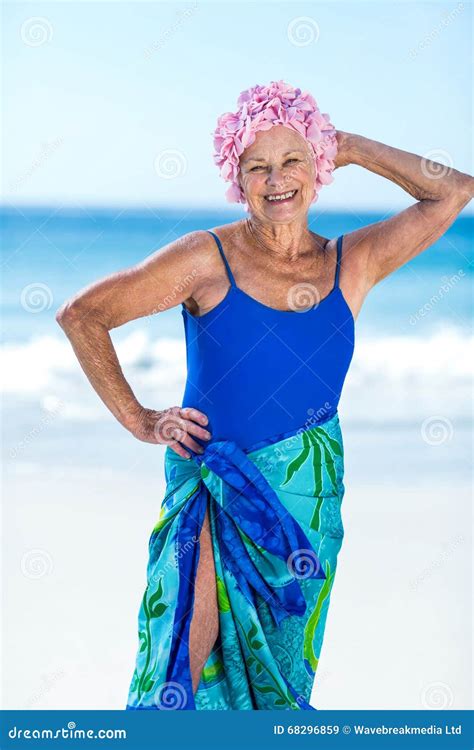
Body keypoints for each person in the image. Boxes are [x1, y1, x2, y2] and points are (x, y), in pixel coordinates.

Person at [56, 81, 473, 710]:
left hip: (304, 506)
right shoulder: (206, 257)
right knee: (181, 660)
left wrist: (351, 146)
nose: (276, 181)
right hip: (212, 488)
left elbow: (454, 191)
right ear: (238, 176)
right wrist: (140, 419)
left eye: (293, 161)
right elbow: (83, 315)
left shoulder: (350, 263)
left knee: (277, 686)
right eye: (258, 167)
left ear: (317, 169)